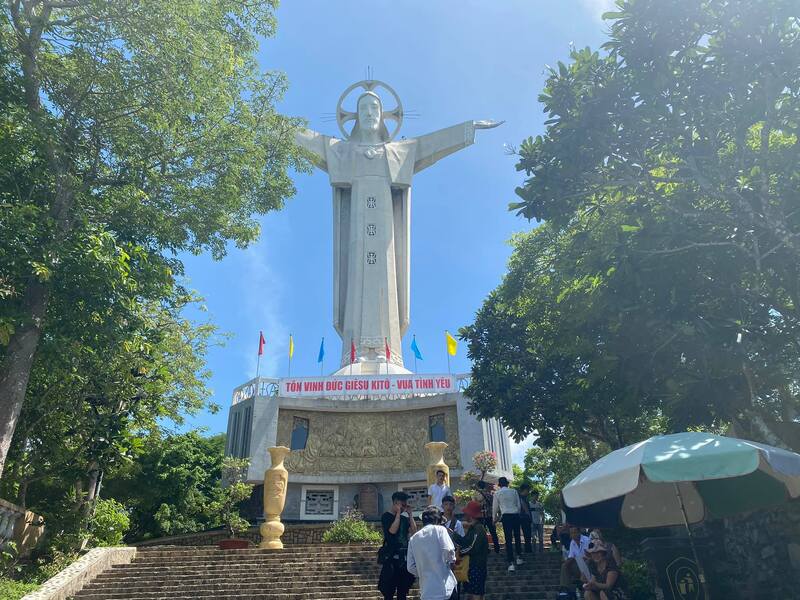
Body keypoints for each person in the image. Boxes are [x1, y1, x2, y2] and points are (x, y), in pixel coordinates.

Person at [407, 506, 457, 600]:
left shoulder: (413, 539)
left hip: (427, 592)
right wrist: (451, 562)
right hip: (445, 589)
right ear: (437, 520)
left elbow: (410, 567)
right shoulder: (440, 530)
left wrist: (424, 571)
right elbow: (449, 550)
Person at [379, 491, 417, 600]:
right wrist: (398, 514)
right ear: (395, 503)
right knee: (389, 592)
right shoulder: (386, 516)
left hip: (404, 559)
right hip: (391, 558)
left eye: (405, 505)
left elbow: (414, 532)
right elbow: (392, 531)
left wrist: (410, 514)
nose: (404, 507)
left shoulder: (405, 519)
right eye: (402, 505)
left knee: (403, 592)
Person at [455, 501, 489, 600]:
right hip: (473, 566)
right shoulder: (473, 528)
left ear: (470, 515)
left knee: (476, 593)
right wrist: (454, 535)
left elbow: (472, 547)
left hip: (477, 566)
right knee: (473, 592)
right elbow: (465, 541)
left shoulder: (478, 529)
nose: (464, 515)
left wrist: (460, 552)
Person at [492, 476, 523, 571]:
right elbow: (519, 505)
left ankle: (511, 563)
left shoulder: (497, 493)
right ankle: (519, 557)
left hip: (506, 517)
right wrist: (516, 512)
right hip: (515, 515)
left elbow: (495, 508)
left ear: (499, 485)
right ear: (507, 483)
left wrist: (494, 519)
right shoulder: (514, 491)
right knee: (517, 536)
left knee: (508, 539)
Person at [560, 526, 591, 596]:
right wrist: (566, 563)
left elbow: (590, 556)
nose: (573, 535)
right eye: (571, 533)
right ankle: (564, 588)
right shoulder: (572, 543)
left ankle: (583, 584)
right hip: (578, 565)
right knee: (564, 566)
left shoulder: (586, 540)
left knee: (583, 560)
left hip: (588, 564)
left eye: (575, 532)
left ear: (579, 532)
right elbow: (571, 556)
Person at [475, 481, 500, 554]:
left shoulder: (478, 495)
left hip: (481, 517)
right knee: (493, 533)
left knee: (482, 533)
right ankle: (497, 548)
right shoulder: (490, 495)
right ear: (485, 486)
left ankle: (485, 548)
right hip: (490, 516)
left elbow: (477, 503)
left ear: (479, 486)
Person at [517, 483, 534, 554]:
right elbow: (525, 507)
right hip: (524, 517)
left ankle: (526, 549)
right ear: (525, 490)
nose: (529, 492)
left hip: (520, 517)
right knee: (527, 534)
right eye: (528, 490)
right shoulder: (521, 497)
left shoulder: (519, 497)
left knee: (526, 534)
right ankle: (528, 549)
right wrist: (530, 517)